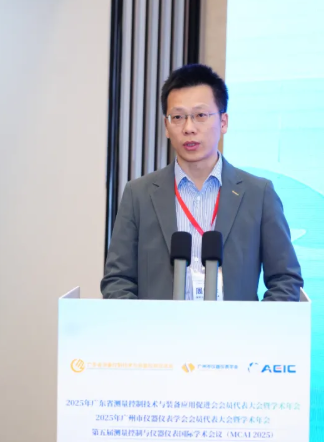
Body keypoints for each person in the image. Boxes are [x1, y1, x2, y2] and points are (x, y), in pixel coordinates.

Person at [101, 64, 303, 301]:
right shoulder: (138, 194)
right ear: (166, 126)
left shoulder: (259, 194)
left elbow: (285, 279)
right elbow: (117, 280)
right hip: (158, 326)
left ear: (223, 122)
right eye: (178, 117)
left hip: (233, 326)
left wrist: (252, 324)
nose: (189, 128)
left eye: (200, 115)